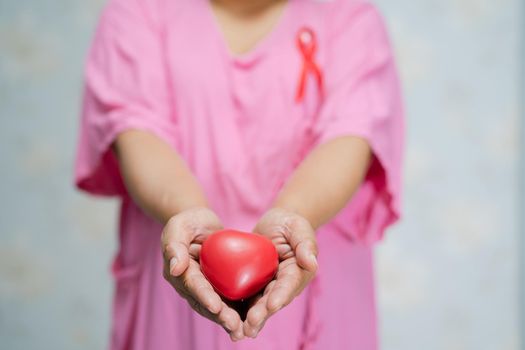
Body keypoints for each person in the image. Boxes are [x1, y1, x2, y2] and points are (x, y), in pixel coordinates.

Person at [74, 0, 404, 348]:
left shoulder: (350, 16)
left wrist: (295, 215)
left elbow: (350, 136)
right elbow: (136, 134)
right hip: (173, 292)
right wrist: (185, 213)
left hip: (316, 285)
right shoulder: (136, 11)